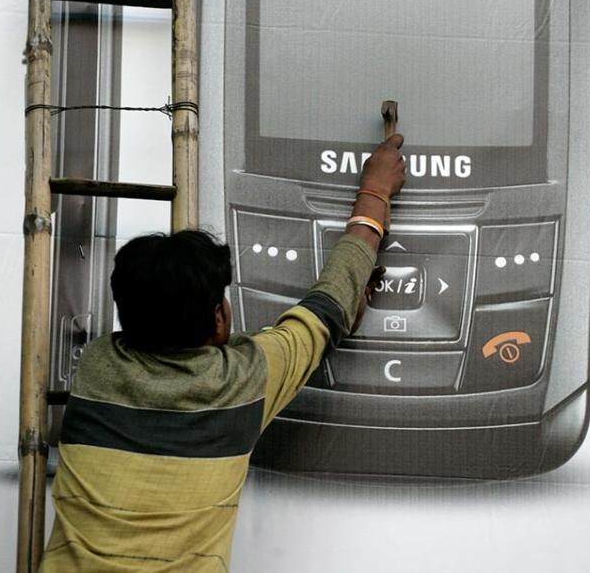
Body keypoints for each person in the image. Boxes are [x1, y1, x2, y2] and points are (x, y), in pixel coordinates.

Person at [39, 134, 406, 572]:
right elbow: (328, 304)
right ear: (217, 318)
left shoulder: (97, 365)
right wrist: (375, 192)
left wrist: (335, 316)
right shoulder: (244, 379)